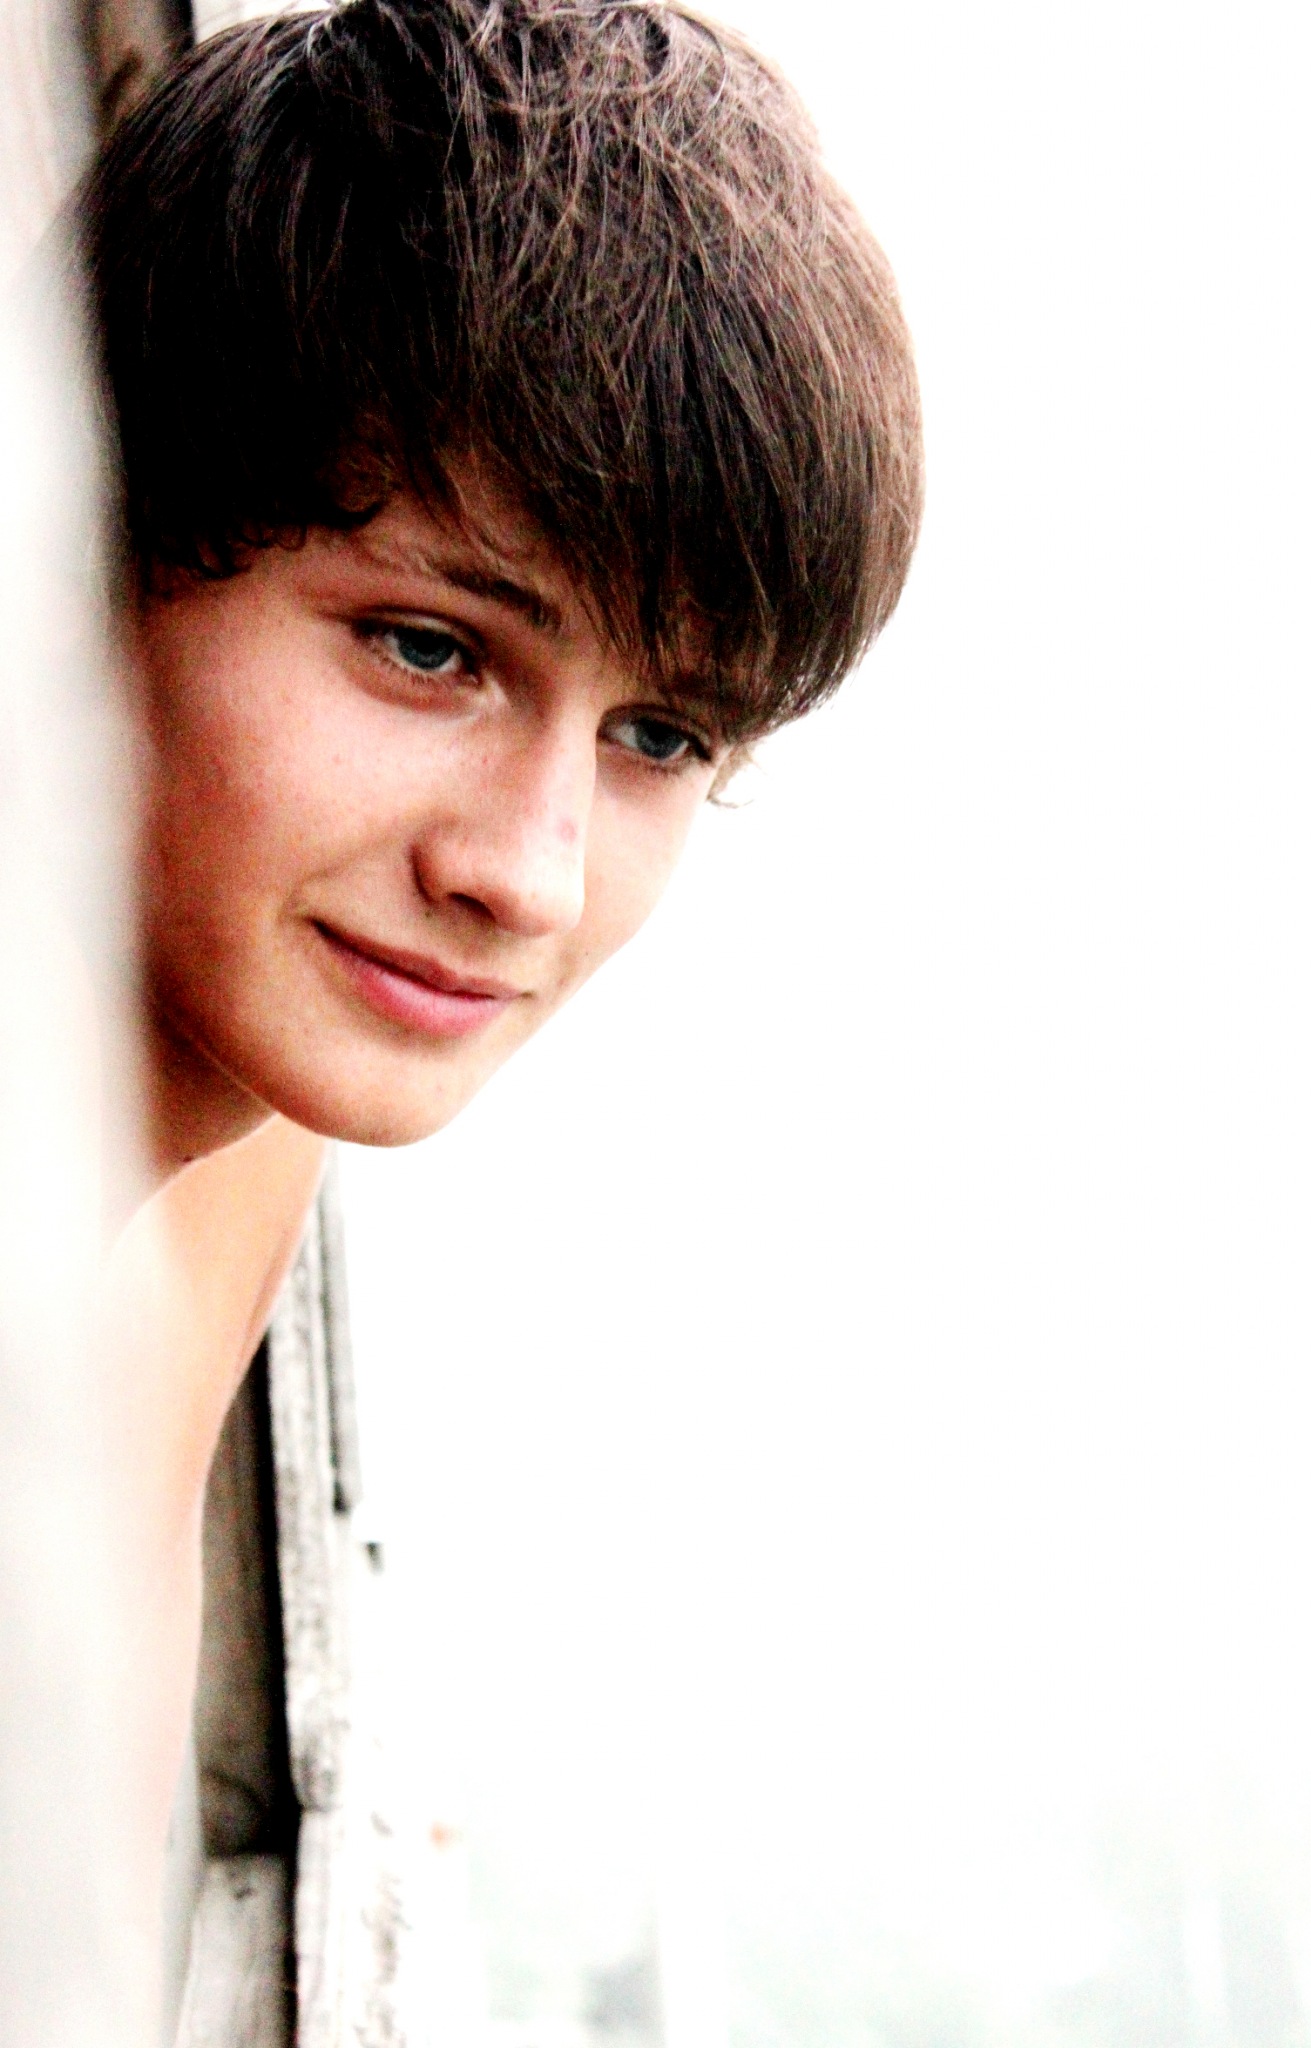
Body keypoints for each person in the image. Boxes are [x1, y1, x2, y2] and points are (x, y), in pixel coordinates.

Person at [78, 0, 922, 1964]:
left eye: (659, 737)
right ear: (87, 543)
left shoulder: (235, 1147)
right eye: (427, 649)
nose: (521, 875)